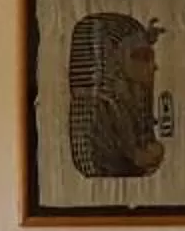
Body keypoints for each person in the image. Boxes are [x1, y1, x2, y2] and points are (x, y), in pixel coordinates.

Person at [65, 12, 167, 178]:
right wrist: (138, 157)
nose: (153, 66)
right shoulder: (98, 112)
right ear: (113, 59)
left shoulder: (128, 102)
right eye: (142, 56)